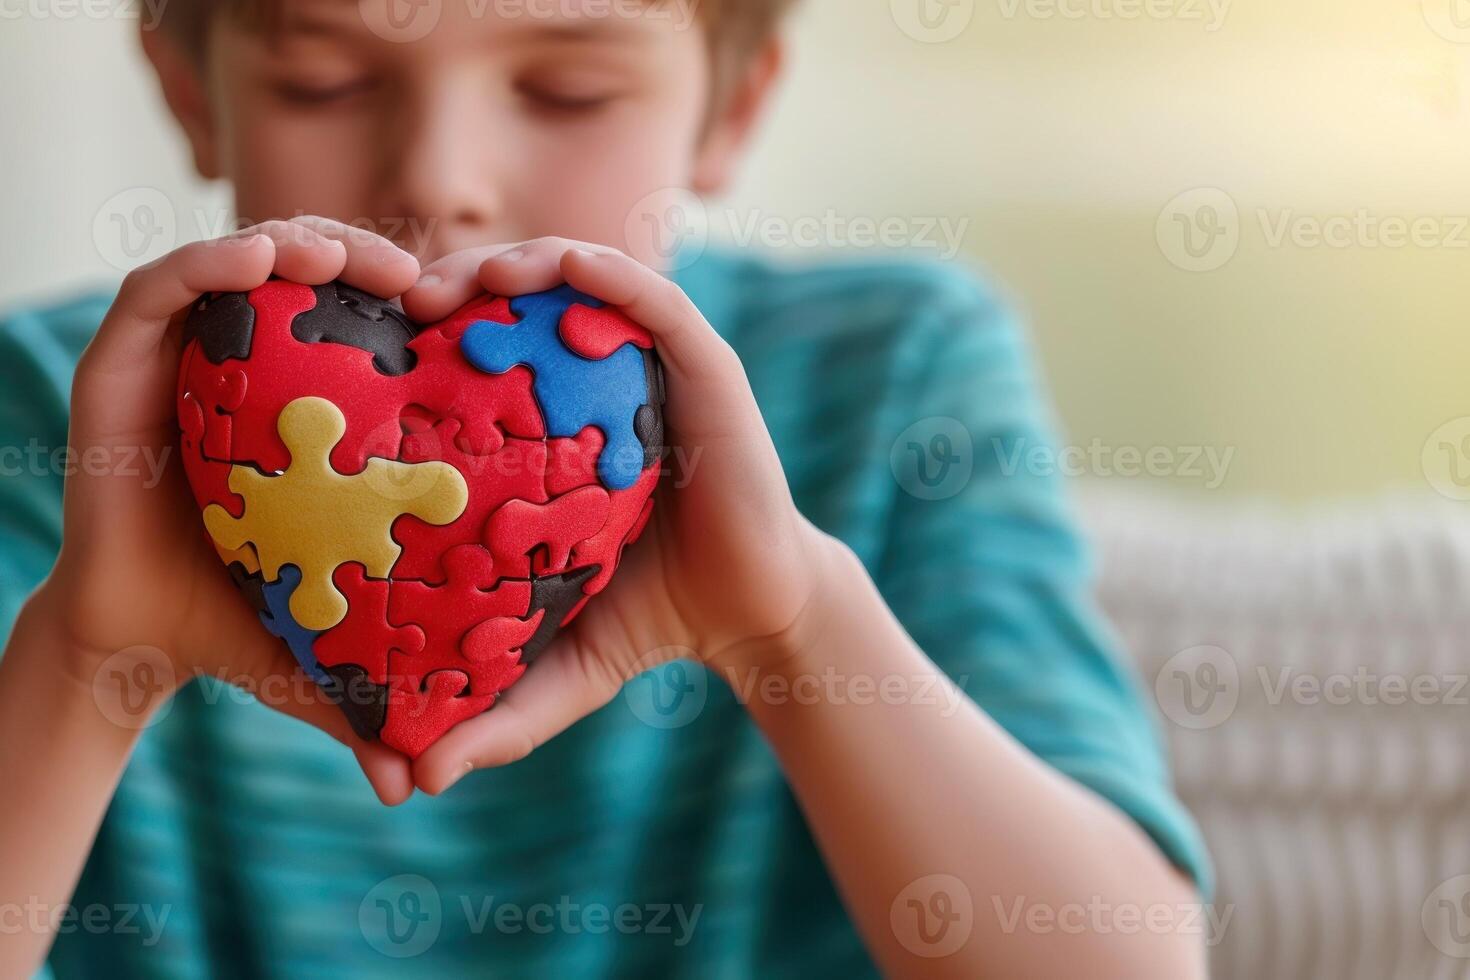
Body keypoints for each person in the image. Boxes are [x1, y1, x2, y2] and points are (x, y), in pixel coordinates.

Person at [0, 1, 1212, 975]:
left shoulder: (896, 373)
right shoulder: (53, 415)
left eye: (566, 88)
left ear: (729, 106)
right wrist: (87, 656)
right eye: (321, 77)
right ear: (187, 92)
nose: (438, 180)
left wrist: (790, 626)